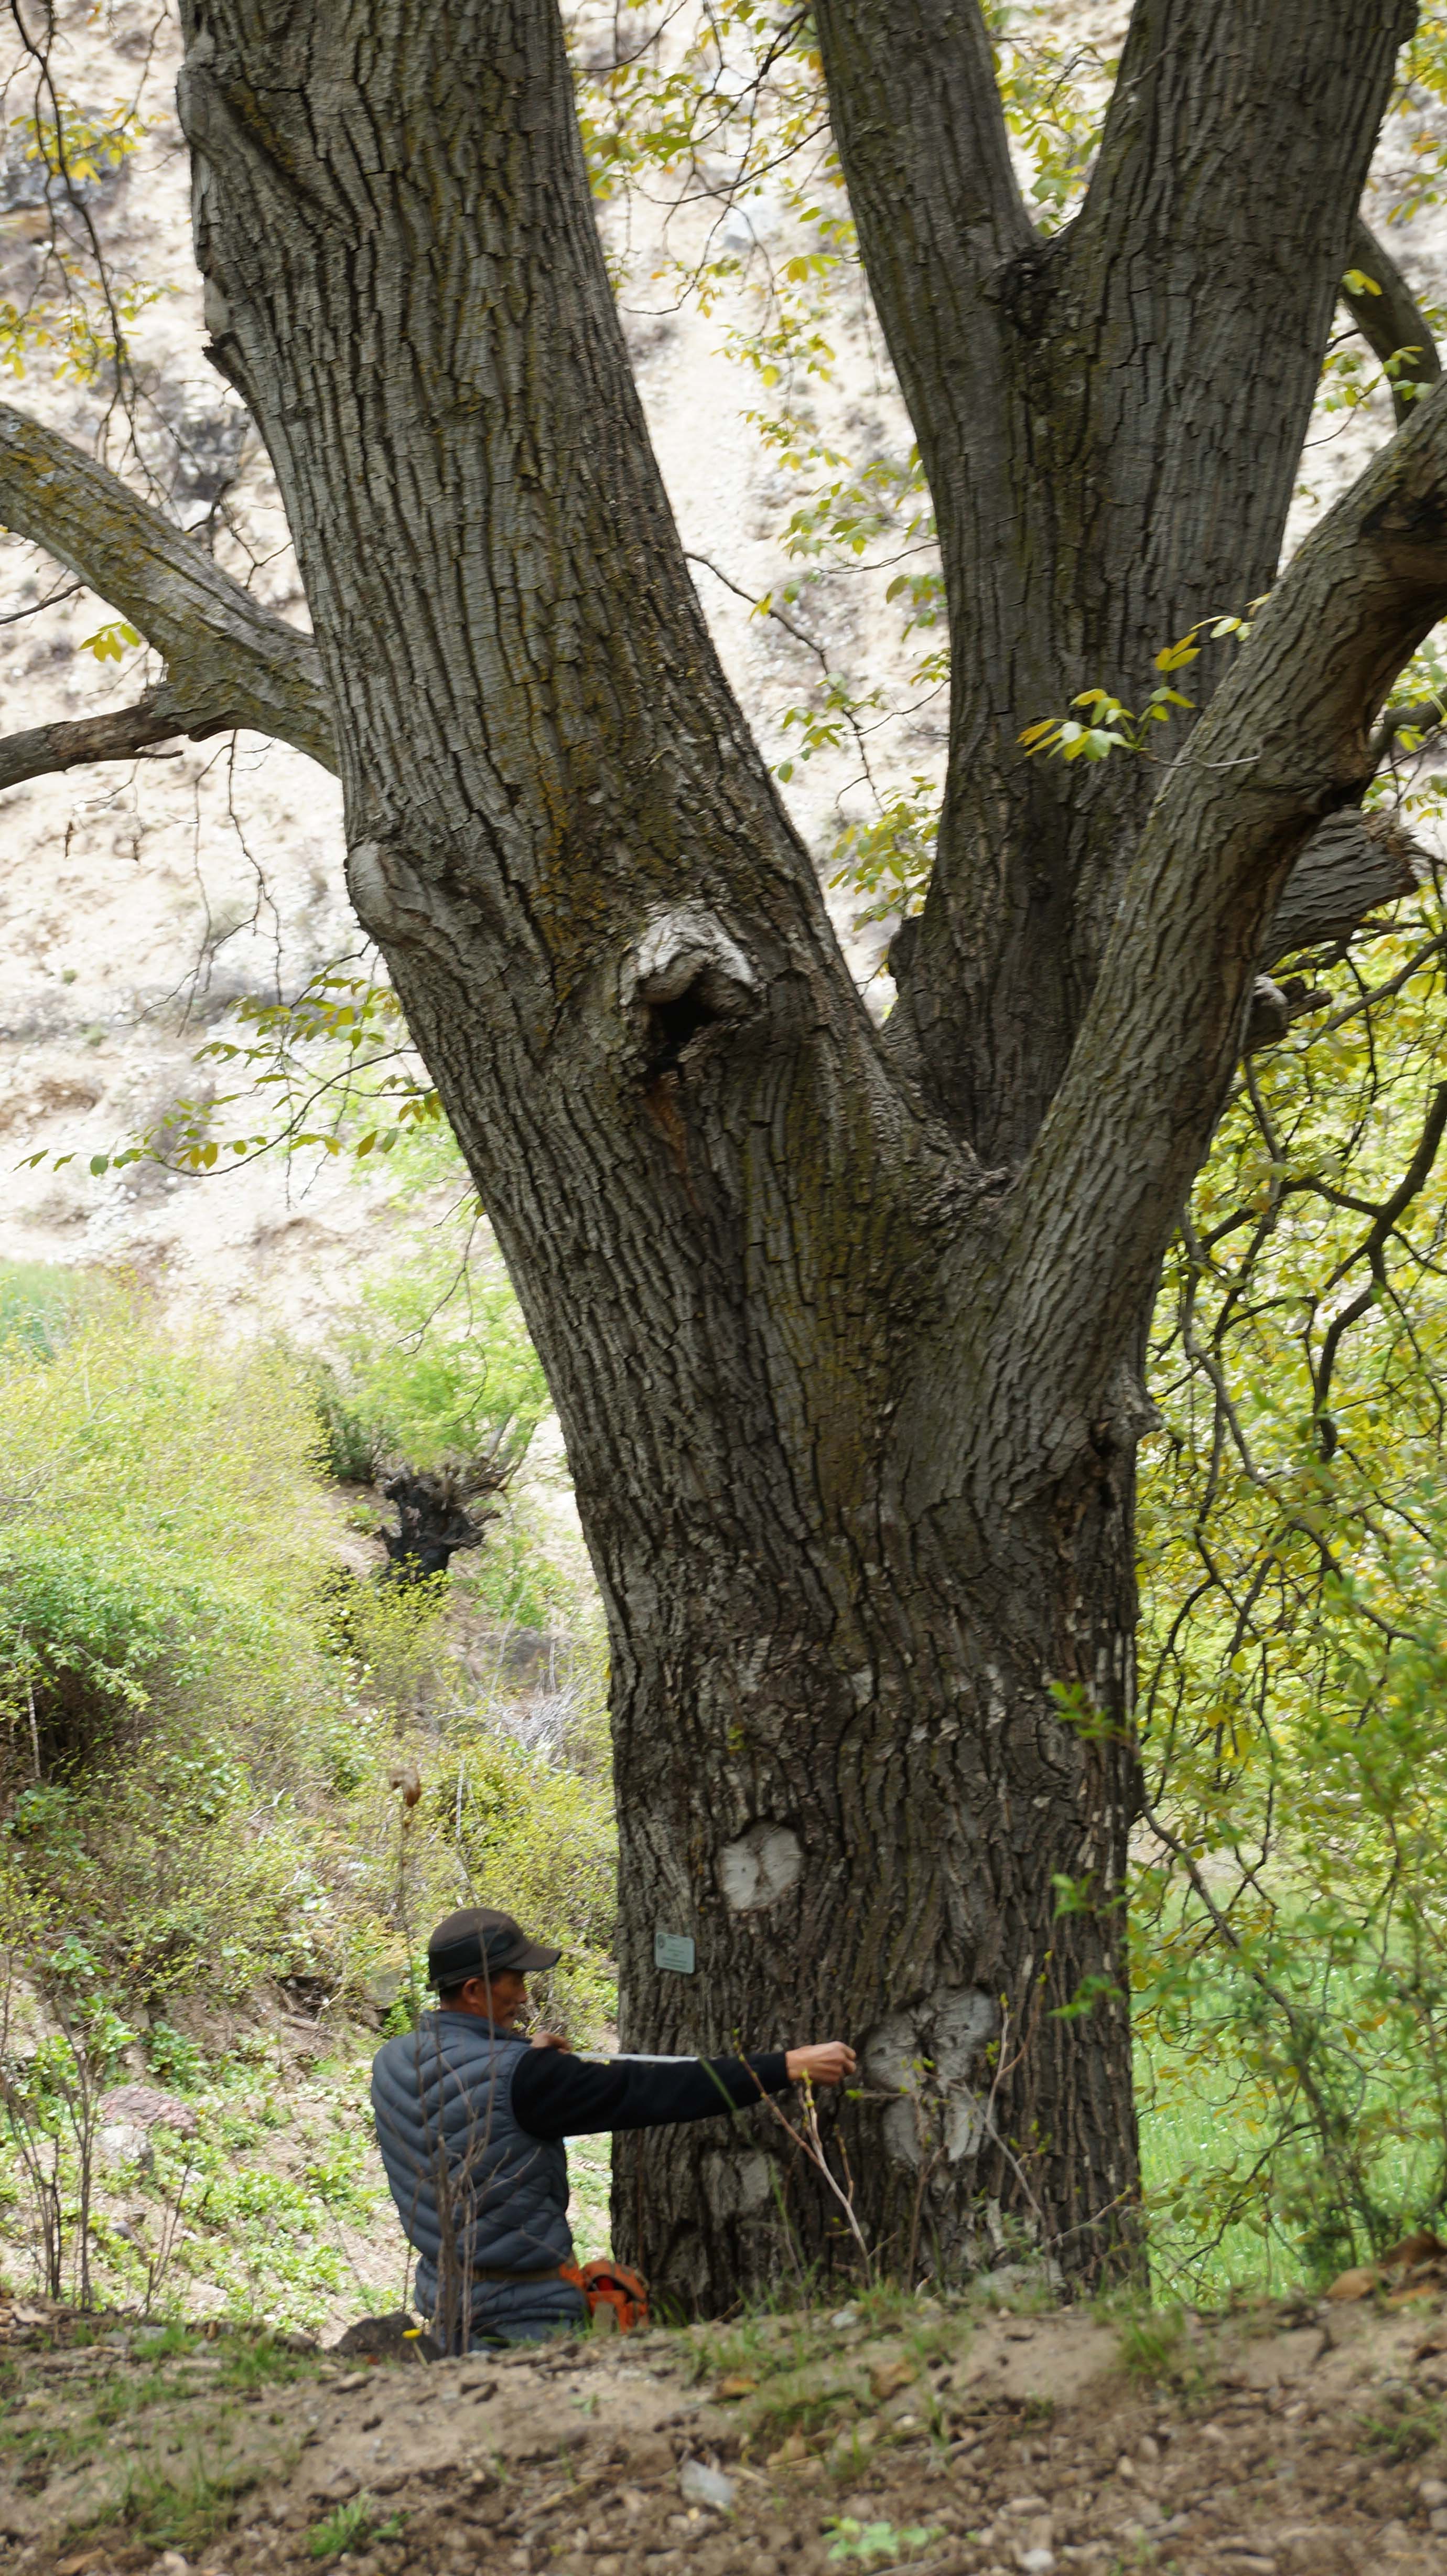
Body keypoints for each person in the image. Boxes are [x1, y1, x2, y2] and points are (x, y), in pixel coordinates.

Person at [371, 1905, 857, 2350]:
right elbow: (649, 2090)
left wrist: (526, 2058)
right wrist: (785, 2067)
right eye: (514, 1981)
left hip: (446, 2305)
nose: (523, 1995)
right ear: (475, 1991)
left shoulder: (393, 2062)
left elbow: (471, 2105)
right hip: (524, 2317)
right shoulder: (527, 2079)